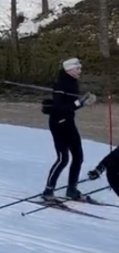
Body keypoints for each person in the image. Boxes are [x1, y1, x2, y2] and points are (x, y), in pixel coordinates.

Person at [40, 57, 96, 202]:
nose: (80, 71)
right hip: (59, 122)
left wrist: (84, 102)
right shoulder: (60, 84)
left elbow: (71, 104)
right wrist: (79, 102)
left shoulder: (72, 83)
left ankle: (72, 190)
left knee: (78, 157)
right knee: (63, 158)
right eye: (77, 68)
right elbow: (59, 107)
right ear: (69, 69)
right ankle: (48, 191)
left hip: (68, 121)